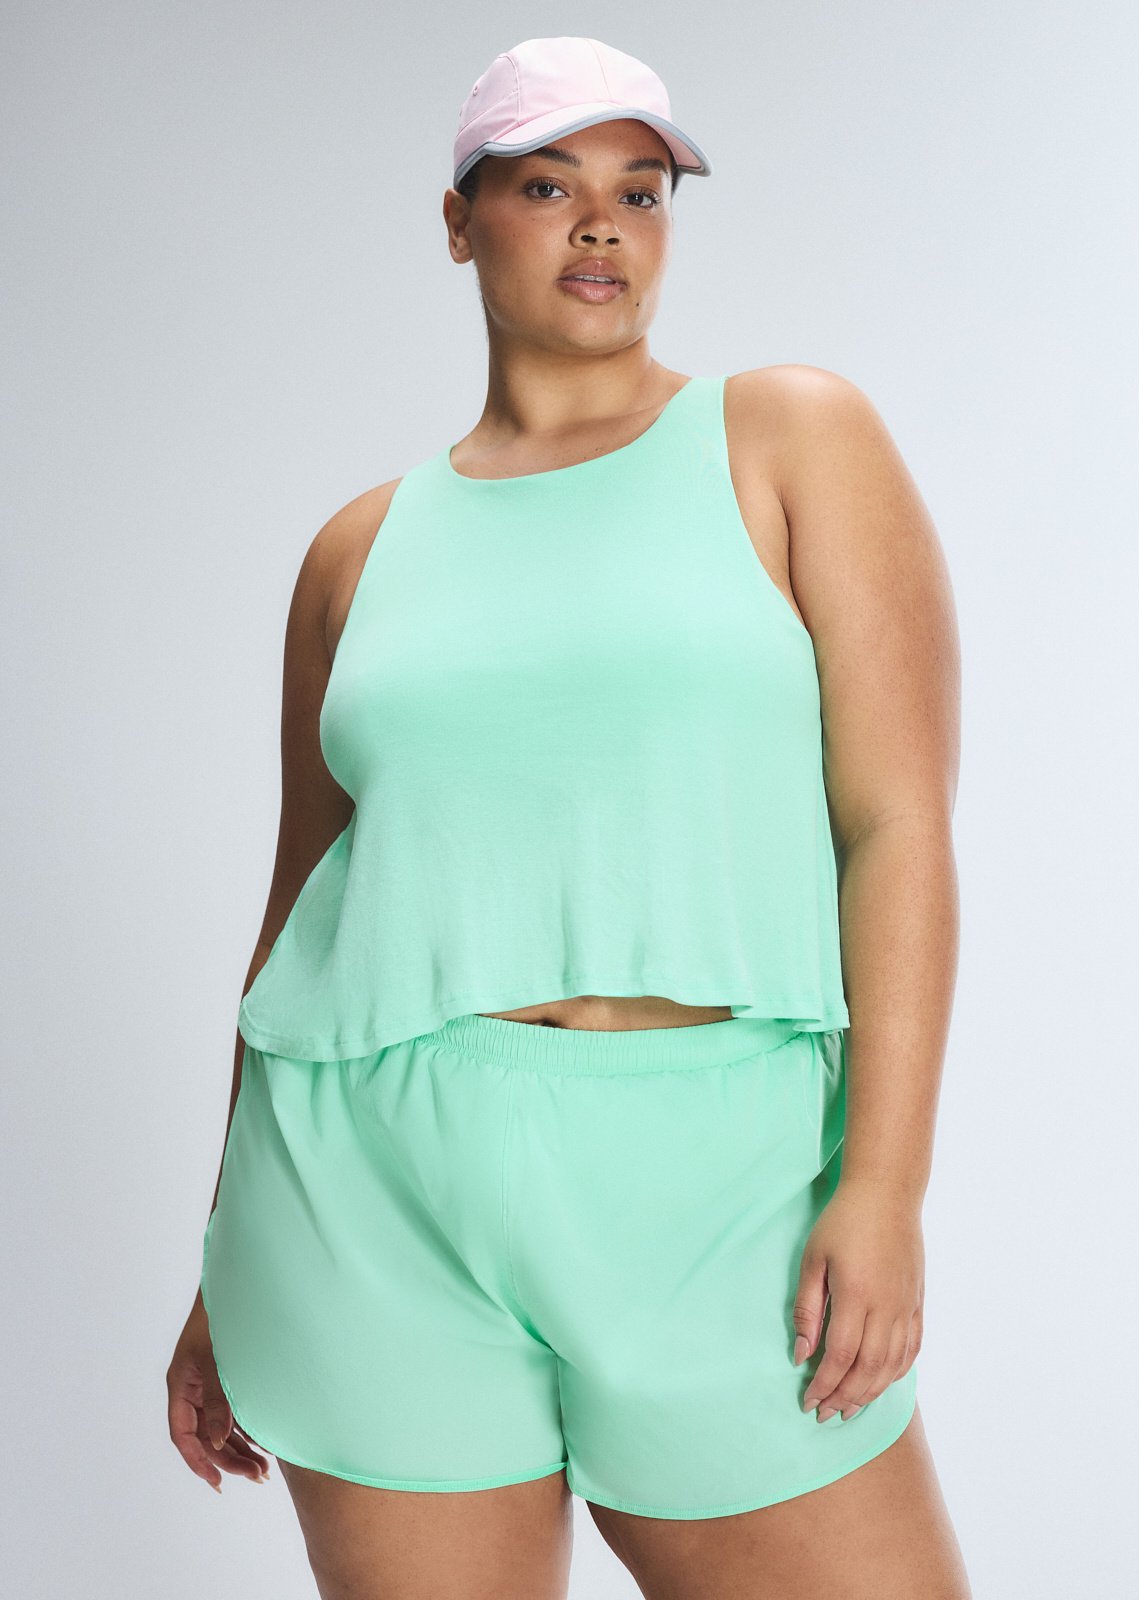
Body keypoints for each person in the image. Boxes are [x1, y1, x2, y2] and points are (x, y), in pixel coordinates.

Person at [166, 34, 971, 1600]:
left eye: (641, 190)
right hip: (364, 1197)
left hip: (719, 1181)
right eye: (548, 186)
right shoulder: (358, 553)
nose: (604, 223)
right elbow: (298, 924)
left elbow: (899, 828)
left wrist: (883, 1188)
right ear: (458, 222)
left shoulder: (789, 438)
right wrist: (219, 1262)